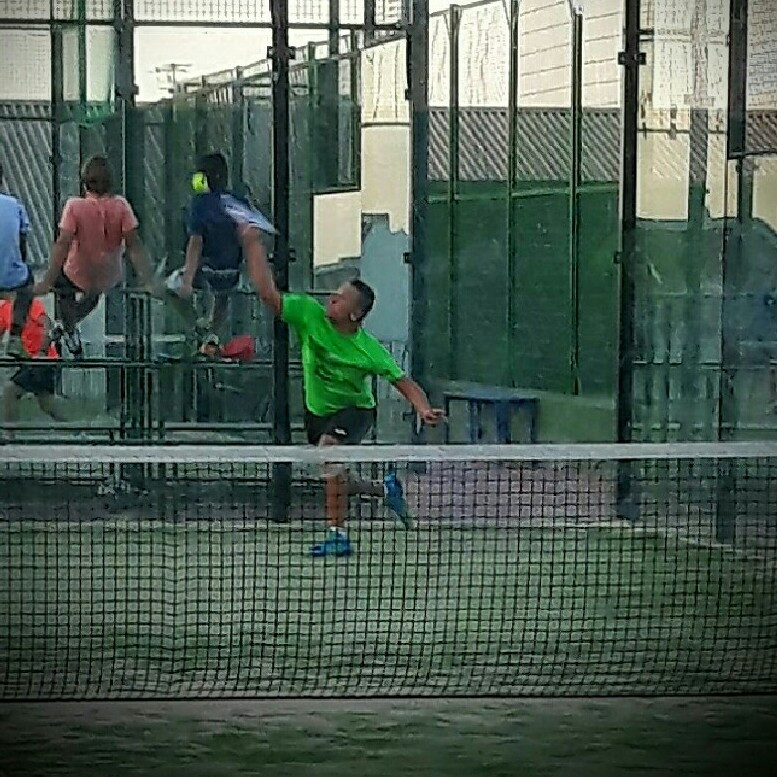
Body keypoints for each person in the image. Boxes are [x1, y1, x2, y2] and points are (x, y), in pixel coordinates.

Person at [243, 226, 443, 557]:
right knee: (332, 470)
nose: (330, 299)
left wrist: (423, 409)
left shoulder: (368, 350)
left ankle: (338, 536)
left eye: (339, 298)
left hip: (356, 410)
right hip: (317, 412)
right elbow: (267, 294)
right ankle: (384, 491)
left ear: (355, 314)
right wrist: (253, 245)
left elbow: (404, 382)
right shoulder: (309, 314)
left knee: (330, 452)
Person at [32, 155, 155, 359]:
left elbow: (63, 243)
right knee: (94, 293)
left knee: (63, 286)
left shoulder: (74, 206)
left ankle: (68, 327)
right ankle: (68, 326)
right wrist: (148, 279)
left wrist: (47, 281)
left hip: (77, 271)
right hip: (108, 275)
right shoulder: (121, 205)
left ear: (84, 183)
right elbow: (134, 244)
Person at [168, 152, 276, 346]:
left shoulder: (200, 203)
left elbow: (196, 242)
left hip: (207, 270)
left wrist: (187, 280)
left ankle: (198, 327)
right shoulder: (237, 200)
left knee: (169, 287)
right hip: (232, 272)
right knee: (222, 295)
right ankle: (212, 334)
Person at [1, 297, 66, 435]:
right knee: (46, 404)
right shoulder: (4, 309)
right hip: (29, 361)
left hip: (44, 360)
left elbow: (48, 324)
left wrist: (42, 352)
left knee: (10, 390)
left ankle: (9, 435)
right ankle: (77, 428)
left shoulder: (30, 303)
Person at [0, 161, 34, 358]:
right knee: (27, 284)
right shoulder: (14, 205)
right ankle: (15, 337)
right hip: (10, 276)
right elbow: (22, 244)